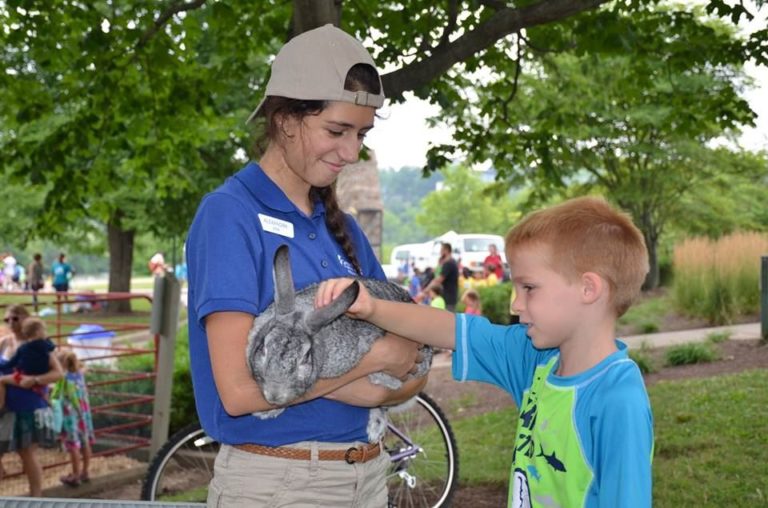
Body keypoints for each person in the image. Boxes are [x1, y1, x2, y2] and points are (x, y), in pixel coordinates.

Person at [186, 24, 425, 507]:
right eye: (337, 131)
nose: (352, 152)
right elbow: (237, 392)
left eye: (361, 134)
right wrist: (373, 364)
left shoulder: (346, 231)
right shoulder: (230, 214)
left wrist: (374, 380)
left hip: (368, 474)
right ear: (286, 120)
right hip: (281, 482)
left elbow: (416, 365)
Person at [317, 196, 654, 507]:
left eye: (529, 288)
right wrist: (371, 307)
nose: (515, 303)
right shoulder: (534, 359)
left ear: (588, 288)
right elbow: (448, 328)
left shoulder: (617, 398)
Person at [0, 304, 64, 497]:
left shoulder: (39, 344)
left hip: (28, 405)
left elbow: (58, 373)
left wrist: (35, 380)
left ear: (25, 319)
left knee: (26, 452)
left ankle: (36, 497)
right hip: (5, 404)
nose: (11, 323)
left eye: (15, 318)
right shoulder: (4, 342)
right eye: (7, 319)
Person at [52, 350, 95, 487]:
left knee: (73, 445)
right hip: (83, 414)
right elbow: (84, 367)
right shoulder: (79, 375)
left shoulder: (64, 378)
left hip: (71, 416)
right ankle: (85, 472)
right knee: (85, 442)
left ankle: (75, 476)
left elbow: (65, 395)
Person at [0, 317, 56, 407]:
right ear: (38, 332)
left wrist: (2, 366)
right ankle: (46, 400)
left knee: (2, 380)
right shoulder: (46, 345)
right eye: (44, 331)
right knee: (42, 387)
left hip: (24, 376)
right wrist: (47, 340)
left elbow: (12, 362)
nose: (46, 333)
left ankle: (1, 404)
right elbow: (52, 348)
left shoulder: (23, 348)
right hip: (41, 374)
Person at [422, 243, 459, 311]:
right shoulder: (450, 262)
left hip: (448, 298)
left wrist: (426, 291)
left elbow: (438, 280)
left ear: (446, 250)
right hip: (447, 297)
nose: (440, 252)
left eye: (441, 250)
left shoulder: (449, 263)